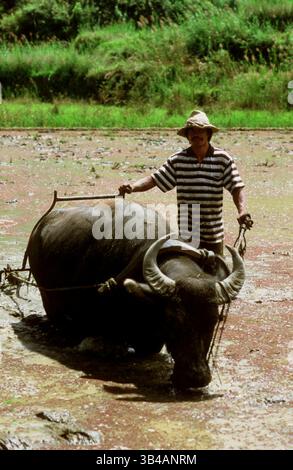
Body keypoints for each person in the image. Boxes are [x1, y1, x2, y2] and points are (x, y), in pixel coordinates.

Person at [119, 110, 249, 255]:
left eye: (200, 130)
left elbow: (236, 188)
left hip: (214, 233)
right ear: (187, 136)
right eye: (192, 131)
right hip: (188, 235)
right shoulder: (178, 160)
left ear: (208, 134)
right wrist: (133, 187)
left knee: (216, 274)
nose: (196, 134)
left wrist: (242, 210)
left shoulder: (222, 159)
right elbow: (155, 179)